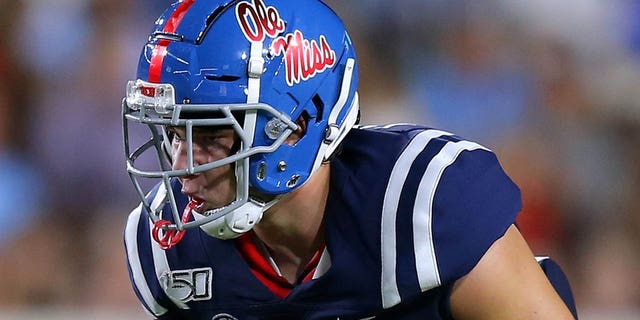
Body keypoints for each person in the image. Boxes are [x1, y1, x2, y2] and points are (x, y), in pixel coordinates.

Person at [122, 0, 578, 319]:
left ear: (300, 123)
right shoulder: (169, 250)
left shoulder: (425, 202)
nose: (182, 164)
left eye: (210, 131)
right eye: (171, 132)